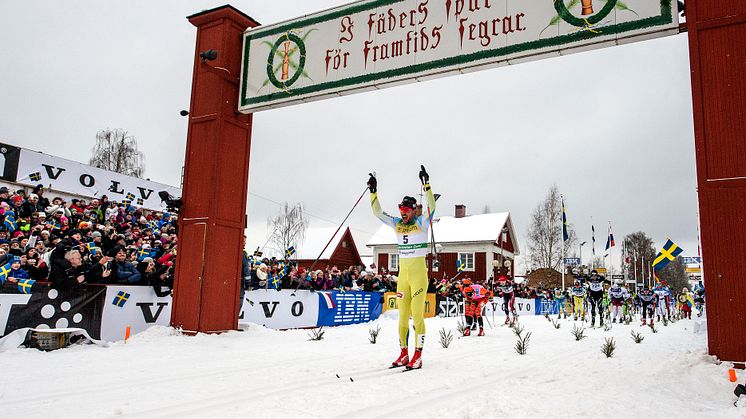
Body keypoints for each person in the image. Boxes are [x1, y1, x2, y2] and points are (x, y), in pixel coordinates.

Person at [368, 166, 435, 370]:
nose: (403, 215)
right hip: (403, 277)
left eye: (406, 211)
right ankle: (404, 353)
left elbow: (432, 205)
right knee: (402, 316)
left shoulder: (422, 223)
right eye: (401, 211)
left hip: (418, 277)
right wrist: (373, 192)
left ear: (414, 210)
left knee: (417, 313)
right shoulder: (397, 224)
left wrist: (427, 184)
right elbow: (378, 212)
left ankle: (418, 355)